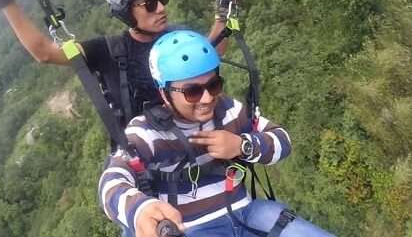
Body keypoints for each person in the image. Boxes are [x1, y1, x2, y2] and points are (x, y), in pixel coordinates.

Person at [98, 30, 335, 237]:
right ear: (164, 94)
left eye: (214, 85)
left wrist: (242, 145)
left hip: (248, 213)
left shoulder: (228, 110)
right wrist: (138, 210)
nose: (207, 98)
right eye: (192, 91)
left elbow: (282, 139)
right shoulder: (146, 132)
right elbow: (112, 180)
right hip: (193, 228)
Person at [0, 0, 229, 129]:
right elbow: (45, 52)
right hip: (150, 161)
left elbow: (209, 56)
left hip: (195, 141)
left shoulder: (178, 35)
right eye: (150, 3)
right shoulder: (107, 51)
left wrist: (223, 9)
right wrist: (5, 1)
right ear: (126, 11)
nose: (161, 8)